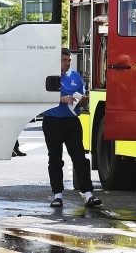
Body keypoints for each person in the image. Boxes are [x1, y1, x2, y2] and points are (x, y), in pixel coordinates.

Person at [41, 49, 100, 208]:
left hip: (72, 121)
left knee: (79, 158)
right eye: (64, 60)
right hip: (52, 121)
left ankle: (88, 194)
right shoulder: (48, 76)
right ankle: (57, 195)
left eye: (69, 60)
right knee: (55, 159)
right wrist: (61, 99)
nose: (67, 63)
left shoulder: (75, 76)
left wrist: (83, 100)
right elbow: (41, 95)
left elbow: (81, 94)